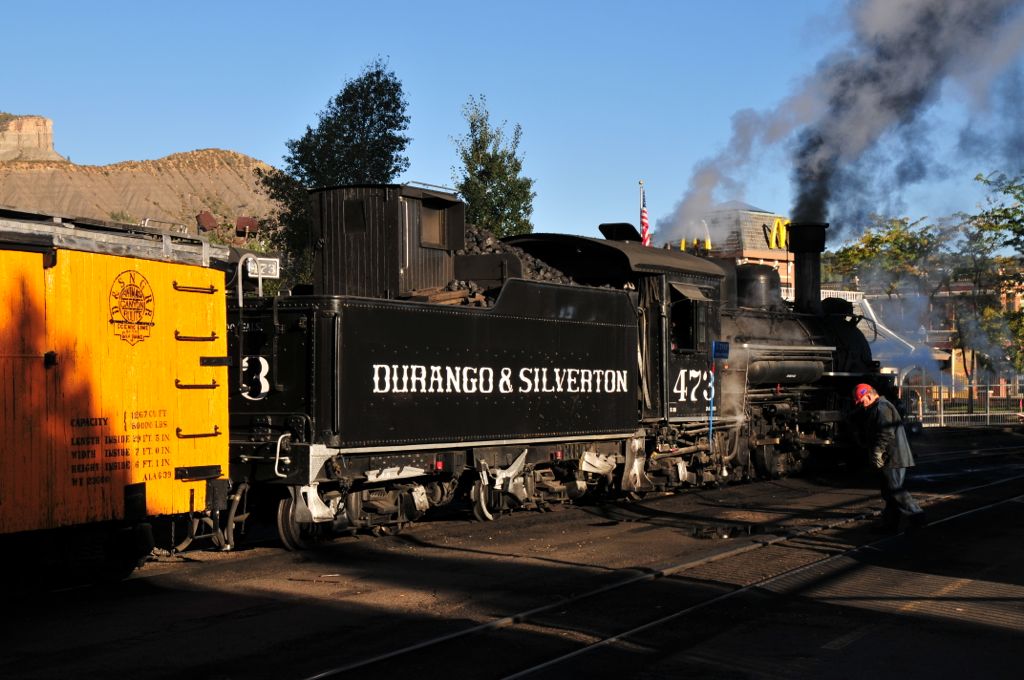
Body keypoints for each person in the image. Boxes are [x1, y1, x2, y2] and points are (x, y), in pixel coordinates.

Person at [852, 383, 926, 531]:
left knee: (895, 490)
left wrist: (877, 452)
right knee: (889, 491)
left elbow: (885, 433)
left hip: (894, 456)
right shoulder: (878, 407)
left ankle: (917, 516)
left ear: (869, 395)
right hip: (892, 455)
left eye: (862, 401)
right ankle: (890, 524)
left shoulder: (882, 408)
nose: (862, 405)